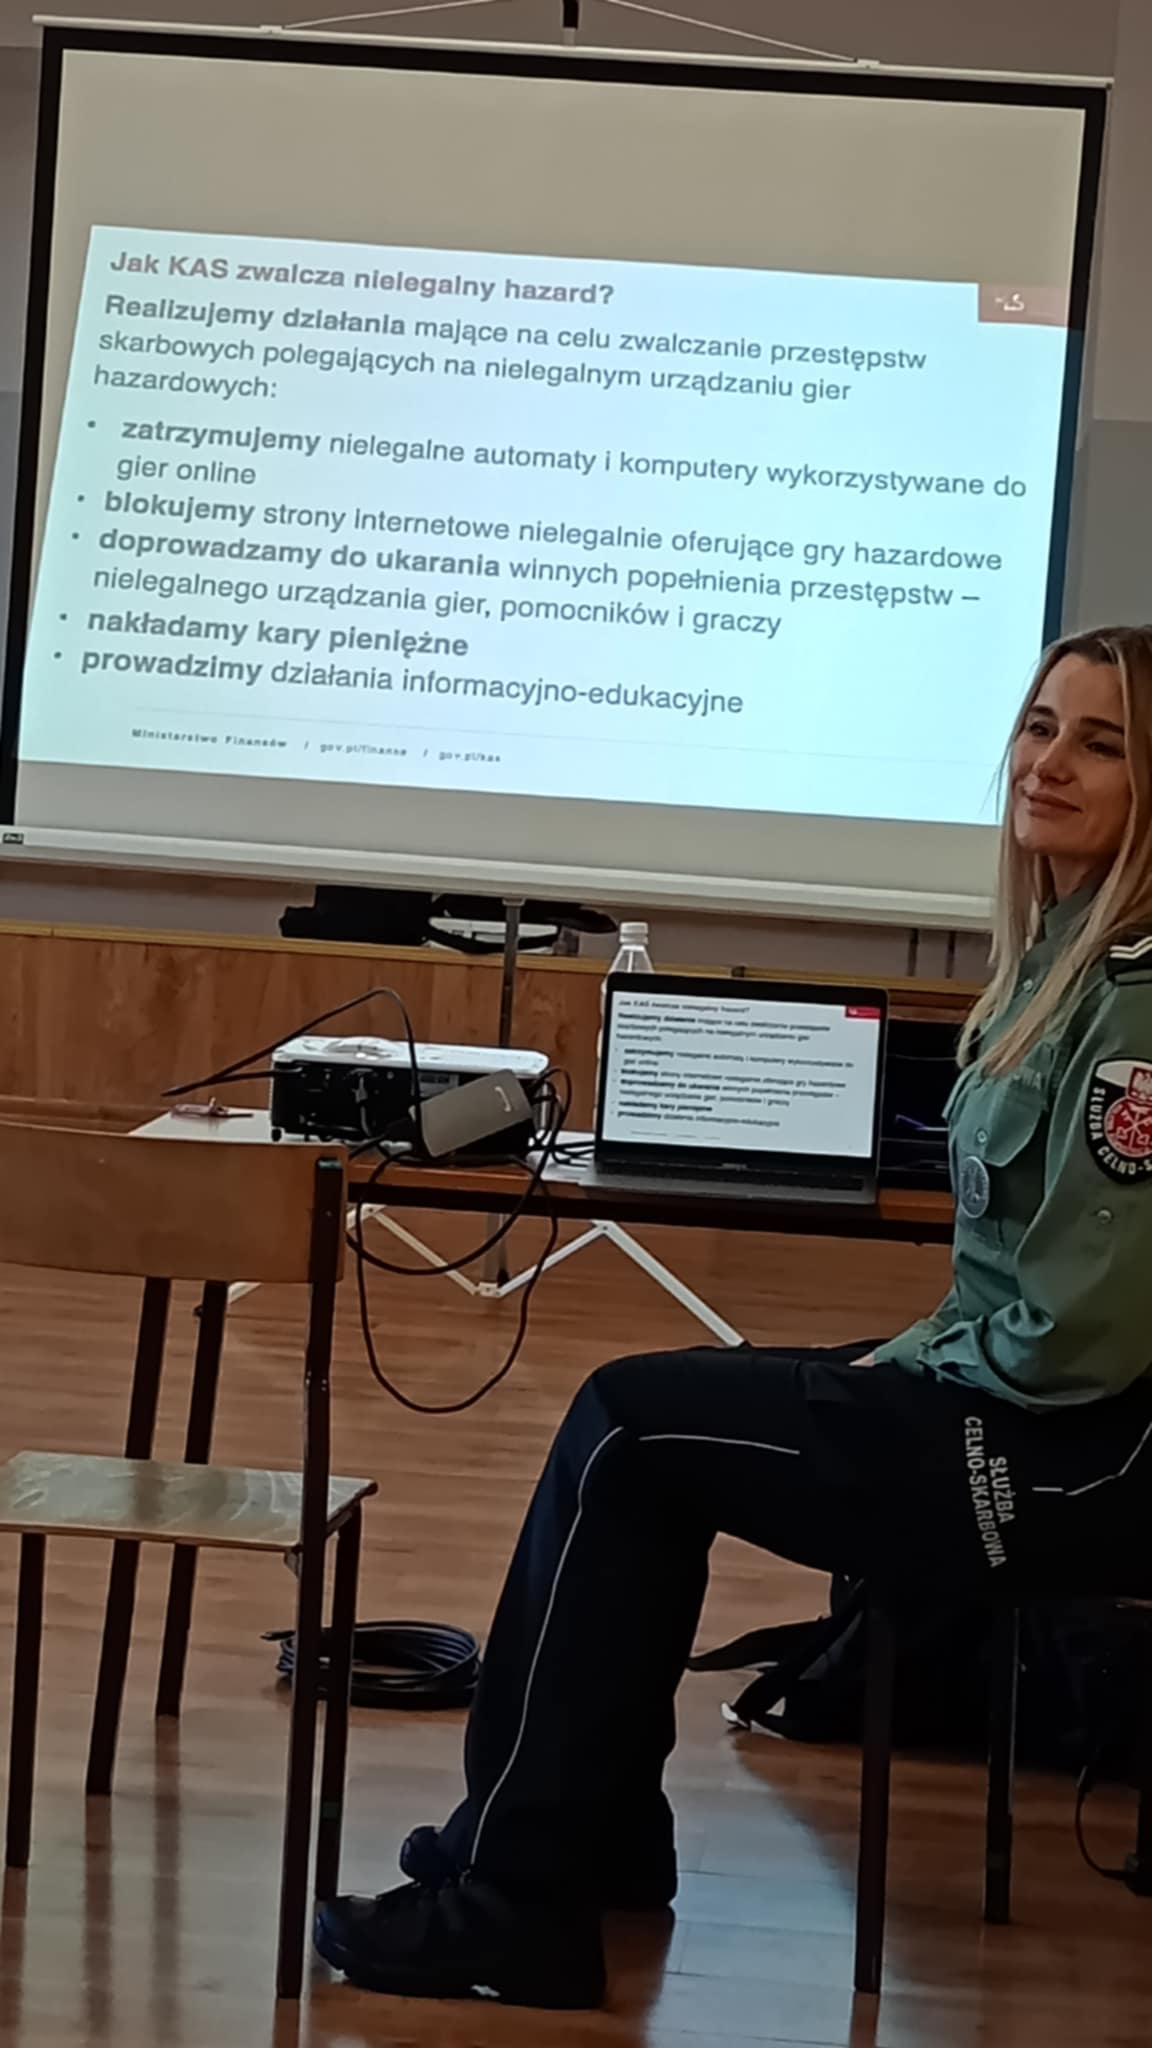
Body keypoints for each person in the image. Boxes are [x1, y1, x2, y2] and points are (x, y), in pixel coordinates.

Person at [316, 624, 1152, 2009]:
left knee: (630, 1426)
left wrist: (913, 1380)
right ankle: (586, 1843)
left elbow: (1078, 1340)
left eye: (1101, 743)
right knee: (639, 1432)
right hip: (1008, 1404)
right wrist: (905, 1361)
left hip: (1055, 1460)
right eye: (1039, 725)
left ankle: (517, 1897)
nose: (1048, 761)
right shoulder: (1060, 954)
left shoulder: (1130, 1005)